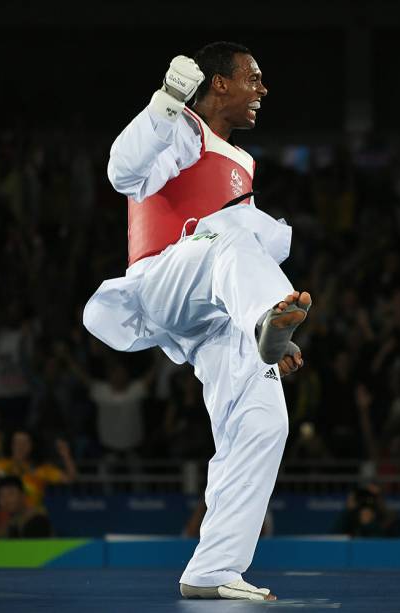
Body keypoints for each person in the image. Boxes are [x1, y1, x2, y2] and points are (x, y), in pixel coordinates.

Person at [83, 42, 309, 601]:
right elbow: (123, 172)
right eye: (253, 79)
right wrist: (165, 100)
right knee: (227, 230)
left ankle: (213, 569)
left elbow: (248, 253)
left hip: (214, 306)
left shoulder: (242, 164)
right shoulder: (180, 127)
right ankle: (265, 320)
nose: (262, 90)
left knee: (263, 422)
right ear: (219, 84)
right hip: (164, 280)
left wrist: (267, 329)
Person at [0, 430, 76, 509]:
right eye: (16, 442)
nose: (20, 446)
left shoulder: (41, 470)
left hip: (34, 524)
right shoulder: (2, 466)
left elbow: (70, 478)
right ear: (11, 445)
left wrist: (66, 456)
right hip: (6, 525)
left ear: (32, 446)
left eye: (24, 443)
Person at [333, 484, 400, 538]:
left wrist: (370, 525)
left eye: (374, 497)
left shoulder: (391, 519)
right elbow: (333, 537)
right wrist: (348, 511)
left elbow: (391, 546)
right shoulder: (350, 516)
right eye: (365, 496)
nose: (368, 500)